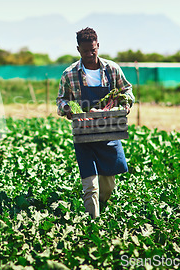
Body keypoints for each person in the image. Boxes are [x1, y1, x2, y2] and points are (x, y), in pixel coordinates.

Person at [56, 27, 134, 218]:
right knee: (90, 186)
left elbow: (127, 91)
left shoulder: (112, 69)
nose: (90, 54)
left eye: (93, 50)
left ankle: (103, 208)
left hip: (109, 131)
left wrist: (124, 106)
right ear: (78, 50)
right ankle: (93, 222)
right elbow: (61, 100)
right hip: (84, 135)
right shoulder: (70, 74)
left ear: (98, 45)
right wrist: (69, 109)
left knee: (107, 186)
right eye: (85, 51)